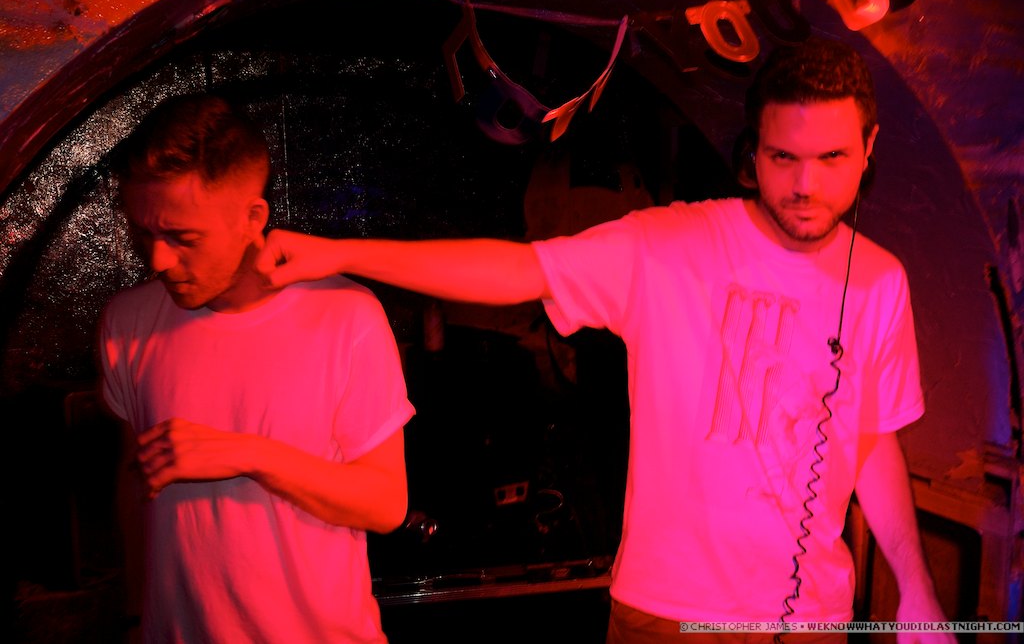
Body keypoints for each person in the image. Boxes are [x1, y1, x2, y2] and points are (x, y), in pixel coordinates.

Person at [255, 38, 953, 643]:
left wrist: (916, 590)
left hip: (814, 620)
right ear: (752, 151)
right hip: (669, 616)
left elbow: (871, 440)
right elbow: (517, 270)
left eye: (831, 157)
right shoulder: (670, 246)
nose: (805, 185)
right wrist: (340, 253)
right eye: (783, 157)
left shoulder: (879, 281)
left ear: (869, 147)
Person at [99, 93, 414, 643]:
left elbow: (386, 505)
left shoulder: (345, 315)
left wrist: (249, 454)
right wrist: (133, 614)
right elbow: (134, 484)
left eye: (183, 238)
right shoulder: (127, 321)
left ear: (252, 219)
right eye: (144, 233)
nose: (159, 260)